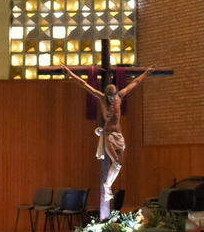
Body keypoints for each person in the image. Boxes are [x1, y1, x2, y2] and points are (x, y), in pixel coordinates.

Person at [60, 64, 156, 218]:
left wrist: (146, 73)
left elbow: (135, 83)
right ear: (106, 94)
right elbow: (83, 84)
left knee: (120, 164)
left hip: (119, 135)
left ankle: (107, 185)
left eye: (113, 96)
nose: (112, 99)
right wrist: (70, 72)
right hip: (108, 135)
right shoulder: (101, 97)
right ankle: (107, 186)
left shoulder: (120, 96)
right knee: (116, 162)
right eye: (110, 97)